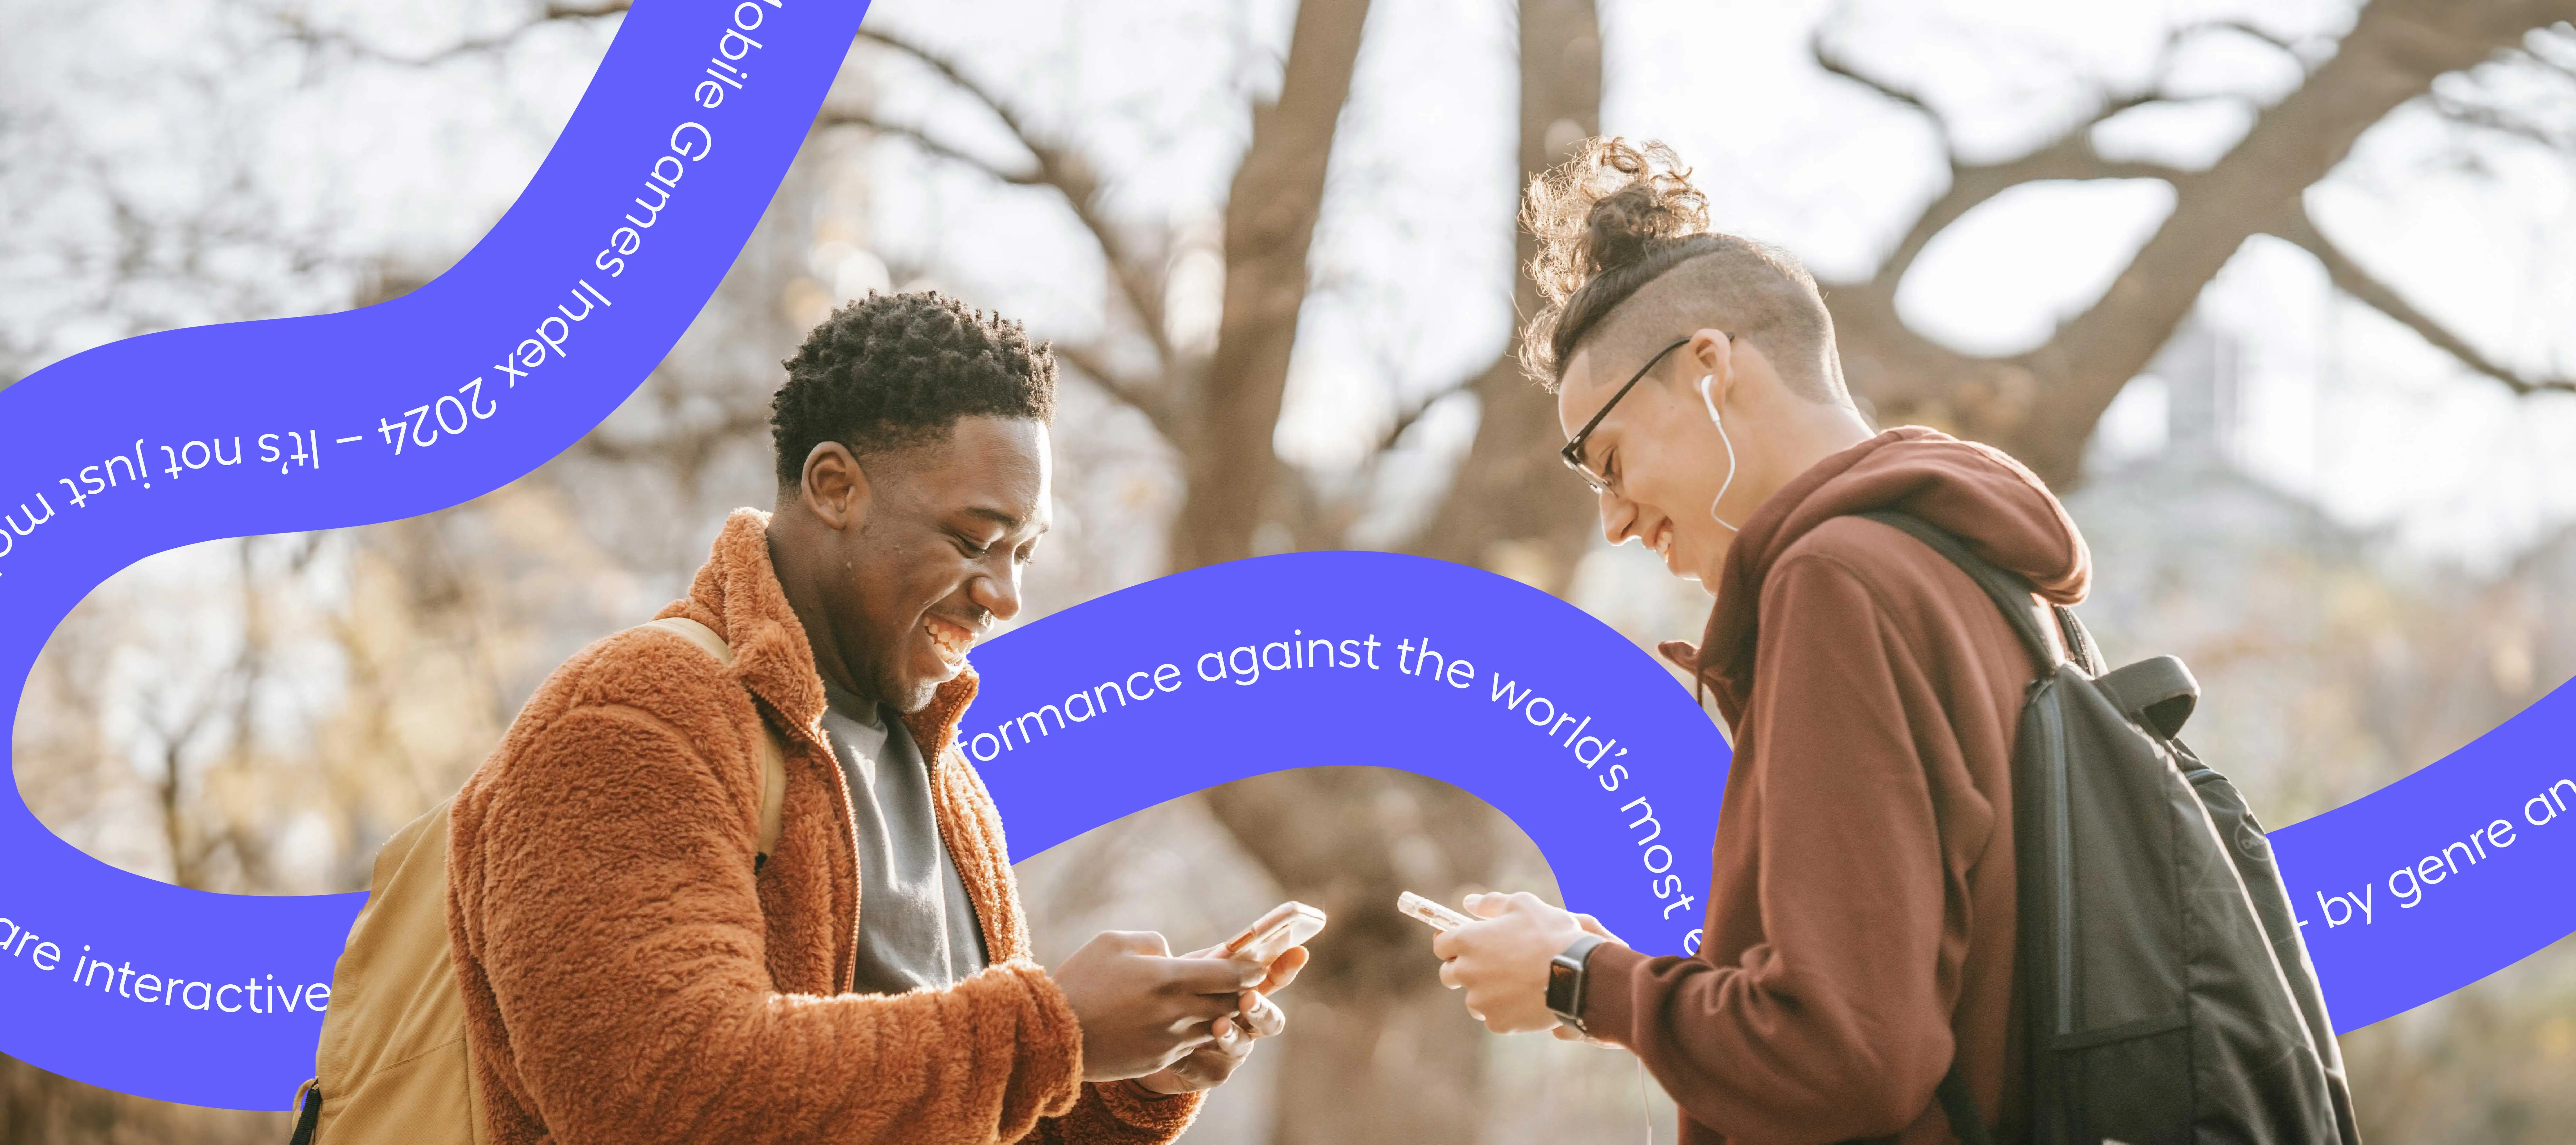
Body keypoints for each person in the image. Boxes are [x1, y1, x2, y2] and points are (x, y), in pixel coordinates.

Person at [444, 291, 1302, 1145]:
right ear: (834, 486)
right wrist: (1052, 1032)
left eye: (1021, 552)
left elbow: (960, 1105)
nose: (1005, 594)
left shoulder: (951, 788)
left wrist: (1125, 1082)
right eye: (974, 539)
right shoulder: (633, 714)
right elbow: (663, 1097)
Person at [1434, 138, 2091, 1143]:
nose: (1613, 520)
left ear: (1709, 367)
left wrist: (1580, 981)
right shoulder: (1975, 574)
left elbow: (1844, 1056)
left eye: (1609, 460)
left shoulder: (1837, 586)